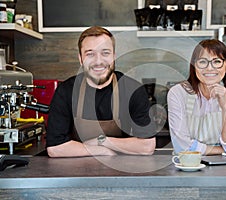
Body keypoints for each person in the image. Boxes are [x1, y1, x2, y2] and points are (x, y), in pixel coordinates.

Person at [46, 26, 156, 157]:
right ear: (80, 59)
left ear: (114, 56)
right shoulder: (66, 91)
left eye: (105, 53)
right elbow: (55, 148)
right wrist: (100, 151)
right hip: (75, 173)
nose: (98, 61)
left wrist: (104, 141)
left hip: (121, 170)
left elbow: (147, 146)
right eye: (90, 54)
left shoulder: (132, 89)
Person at [167, 39, 226, 155]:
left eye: (216, 61)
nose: (210, 68)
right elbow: (182, 146)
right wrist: (222, 150)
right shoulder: (178, 93)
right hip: (187, 165)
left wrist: (225, 107)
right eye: (202, 62)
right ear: (194, 66)